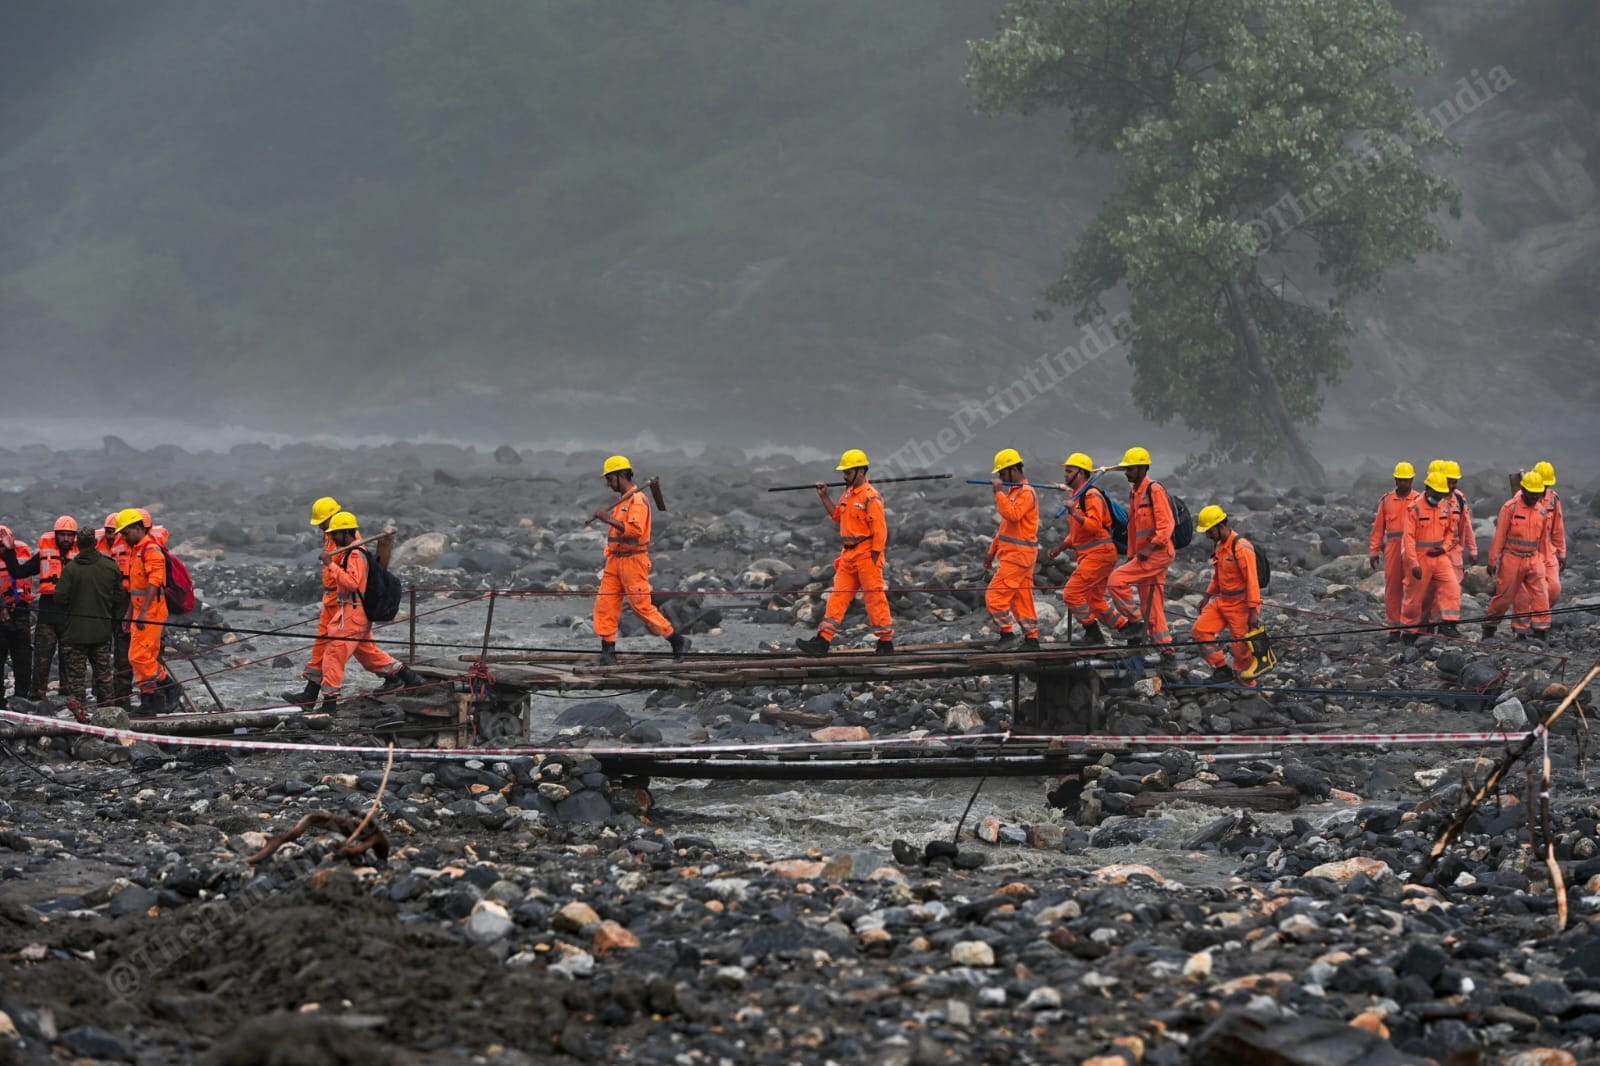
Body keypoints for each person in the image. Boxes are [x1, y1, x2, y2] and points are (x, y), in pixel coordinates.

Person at [311, 511, 425, 711]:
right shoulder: (352, 551)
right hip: (355, 614)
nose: (333, 537)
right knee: (369, 656)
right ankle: (410, 678)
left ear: (347, 532)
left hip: (353, 614)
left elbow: (352, 584)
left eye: (336, 534)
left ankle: (329, 705)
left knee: (333, 655)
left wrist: (331, 565)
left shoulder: (355, 554)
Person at [590, 456, 690, 665]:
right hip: (615, 560)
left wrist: (607, 519)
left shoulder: (637, 501)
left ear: (621, 475)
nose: (608, 484)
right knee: (605, 604)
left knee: (641, 606)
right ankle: (608, 652)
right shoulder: (624, 500)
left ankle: (677, 640)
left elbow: (635, 531)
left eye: (609, 478)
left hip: (633, 562)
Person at [797, 449, 894, 656]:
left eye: (848, 472)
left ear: (861, 471)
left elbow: (880, 530)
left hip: (867, 553)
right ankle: (822, 641)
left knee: (874, 597)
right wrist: (824, 496)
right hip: (848, 555)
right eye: (844, 472)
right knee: (837, 597)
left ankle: (885, 642)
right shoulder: (848, 494)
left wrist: (876, 555)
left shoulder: (871, 497)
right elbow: (837, 515)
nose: (844, 476)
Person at [1105, 446, 1176, 655]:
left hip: (1158, 554)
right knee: (1152, 605)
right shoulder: (1135, 493)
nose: (1127, 473)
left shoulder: (1154, 490)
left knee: (1116, 581)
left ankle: (1135, 622)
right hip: (1144, 555)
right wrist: (1131, 556)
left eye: (1131, 469)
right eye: (1126, 469)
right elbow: (1134, 528)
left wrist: (1150, 547)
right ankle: (1167, 651)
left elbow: (1167, 525)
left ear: (1143, 468)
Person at [115, 508, 184, 713]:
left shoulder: (151, 550)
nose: (123, 537)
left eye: (126, 533)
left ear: (137, 528)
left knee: (139, 657)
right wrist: (129, 614)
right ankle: (149, 702)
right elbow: (135, 587)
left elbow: (155, 583)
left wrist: (143, 612)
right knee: (143, 658)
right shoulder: (137, 550)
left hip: (151, 611)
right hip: (139, 610)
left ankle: (171, 687)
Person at [1047, 452, 1118, 646]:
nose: (1065, 475)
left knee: (1071, 594)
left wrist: (1073, 513)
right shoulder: (1076, 496)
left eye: (1069, 471)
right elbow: (1078, 533)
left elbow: (1094, 526)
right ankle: (1126, 627)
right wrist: (1061, 547)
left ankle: (1094, 634)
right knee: (1095, 600)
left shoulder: (1091, 495)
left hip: (1100, 554)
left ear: (1081, 473)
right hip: (1092, 554)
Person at [52, 529, 127, 710]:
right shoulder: (110, 567)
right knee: (103, 675)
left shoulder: (70, 569)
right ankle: (108, 712)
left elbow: (59, 597)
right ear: (95, 543)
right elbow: (120, 597)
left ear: (78, 544)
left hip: (75, 632)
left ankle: (80, 715)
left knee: (77, 679)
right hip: (102, 631)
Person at [1189, 506, 1262, 685]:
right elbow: (1218, 576)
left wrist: (1253, 611)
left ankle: (1247, 685)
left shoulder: (1241, 547)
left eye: (1209, 531)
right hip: (1222, 600)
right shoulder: (1220, 545)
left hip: (1241, 605)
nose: (1207, 535)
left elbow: (1252, 581)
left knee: (1241, 649)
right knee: (1200, 630)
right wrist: (1207, 597)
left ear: (1221, 526)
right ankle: (1222, 669)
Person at [282, 496, 345, 706]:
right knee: (321, 647)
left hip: (344, 601)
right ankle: (310, 694)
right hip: (330, 598)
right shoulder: (330, 535)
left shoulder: (346, 538)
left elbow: (352, 579)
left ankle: (330, 702)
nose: (319, 526)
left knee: (337, 651)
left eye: (321, 522)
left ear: (331, 517)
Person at [1483, 471, 1554, 640]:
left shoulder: (1542, 511)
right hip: (1512, 558)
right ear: (1523, 489)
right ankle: (1490, 626)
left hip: (1533, 558)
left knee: (1541, 594)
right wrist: (1492, 560)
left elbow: (1543, 538)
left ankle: (1540, 630)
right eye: (1530, 492)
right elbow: (1499, 535)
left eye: (1536, 493)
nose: (1533, 496)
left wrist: (1544, 559)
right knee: (1504, 597)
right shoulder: (1510, 507)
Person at [983, 448, 1040, 651]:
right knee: (1021, 599)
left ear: (1013, 470)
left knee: (994, 596)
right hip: (1015, 556)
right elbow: (1004, 528)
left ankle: (1007, 634)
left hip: (1019, 556)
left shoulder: (1026, 493)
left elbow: (1013, 515)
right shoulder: (1014, 492)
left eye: (1001, 473)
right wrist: (991, 553)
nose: (1000, 477)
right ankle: (1032, 639)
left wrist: (998, 493)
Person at [1400, 470, 1461, 642]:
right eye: (1436, 492)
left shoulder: (1445, 506)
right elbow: (1408, 539)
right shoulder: (1415, 508)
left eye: (1442, 493)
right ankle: (1409, 632)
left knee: (1452, 588)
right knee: (1414, 597)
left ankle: (1449, 624)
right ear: (1427, 488)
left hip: (1439, 556)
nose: (1439, 496)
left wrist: (1444, 548)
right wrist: (1413, 564)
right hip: (1419, 557)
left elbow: (1451, 531)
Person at [28, 516, 81, 699]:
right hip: (48, 615)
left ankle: (68, 696)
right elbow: (21, 571)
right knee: (42, 658)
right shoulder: (44, 554)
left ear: (74, 536)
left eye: (69, 535)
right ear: (56, 535)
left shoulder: (81, 557)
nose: (66, 539)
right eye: (62, 535)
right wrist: (8, 553)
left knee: (70, 659)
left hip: (70, 616)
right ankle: (37, 695)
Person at [1368, 461, 1416, 642]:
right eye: (1400, 480)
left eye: (1406, 480)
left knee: (1413, 589)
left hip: (1413, 548)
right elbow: (1378, 528)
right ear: (1396, 479)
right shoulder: (1387, 500)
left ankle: (1412, 628)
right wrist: (1374, 551)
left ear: (1412, 480)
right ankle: (1394, 628)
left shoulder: (1419, 499)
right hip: (1393, 547)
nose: (1403, 483)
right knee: (1393, 588)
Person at [96, 511, 134, 709]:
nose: (111, 536)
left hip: (123, 604)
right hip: (104, 604)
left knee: (123, 654)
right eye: (108, 532)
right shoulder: (97, 547)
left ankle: (122, 698)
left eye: (114, 532)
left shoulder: (130, 548)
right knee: (100, 651)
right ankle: (102, 695)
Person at [0, 526, 36, 707]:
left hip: (21, 610)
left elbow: (24, 573)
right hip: (1, 614)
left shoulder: (21, 552)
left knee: (22, 655)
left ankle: (22, 696)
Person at [1531, 460, 1566, 635]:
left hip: (1549, 550)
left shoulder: (1553, 499)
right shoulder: (1523, 499)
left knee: (1554, 588)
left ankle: (1540, 615)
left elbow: (1558, 528)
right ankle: (1538, 626)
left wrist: (1562, 552)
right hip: (1530, 552)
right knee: (1537, 589)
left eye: (1547, 484)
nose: (1544, 488)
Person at [1441, 460, 1477, 584]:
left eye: (1454, 482)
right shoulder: (1432, 498)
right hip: (1435, 551)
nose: (1451, 485)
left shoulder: (1459, 499)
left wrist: (1472, 550)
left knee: (1454, 590)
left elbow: (1466, 525)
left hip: (1454, 551)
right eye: (1448, 481)